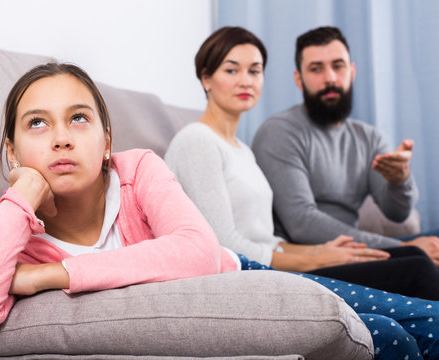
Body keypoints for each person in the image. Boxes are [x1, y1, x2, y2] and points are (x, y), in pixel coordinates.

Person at [165, 26, 439, 359]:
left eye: (255, 70)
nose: (246, 80)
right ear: (206, 78)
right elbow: (226, 247)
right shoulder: (197, 141)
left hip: (274, 264)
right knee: (418, 268)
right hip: (253, 278)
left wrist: (319, 252)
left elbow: (266, 238)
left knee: (417, 260)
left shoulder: (241, 149)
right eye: (231, 69)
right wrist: (316, 255)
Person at [0, 62, 240, 340]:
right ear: (12, 153)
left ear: (106, 141)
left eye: (78, 118)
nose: (62, 139)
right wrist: (21, 196)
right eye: (37, 123)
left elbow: (201, 253)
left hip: (240, 272)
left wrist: (51, 274)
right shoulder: (13, 231)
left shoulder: (139, 170)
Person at [251, 26, 439, 266]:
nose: (330, 78)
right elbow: (302, 224)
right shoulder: (280, 131)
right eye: (316, 69)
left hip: (356, 251)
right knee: (421, 263)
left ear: (352, 71)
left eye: (338, 66)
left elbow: (398, 214)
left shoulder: (369, 138)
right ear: (299, 79)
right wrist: (404, 248)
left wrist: (400, 180)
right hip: (315, 259)